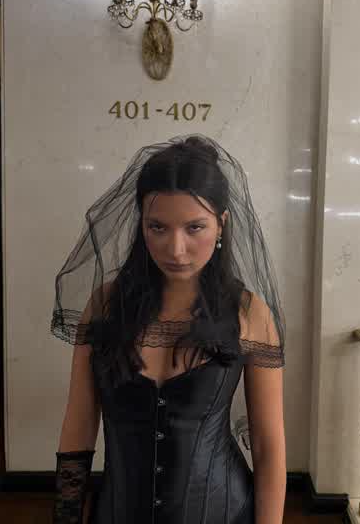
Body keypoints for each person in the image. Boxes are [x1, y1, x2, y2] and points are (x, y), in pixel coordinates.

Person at [51, 134, 286, 524]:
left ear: (221, 224)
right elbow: (79, 423)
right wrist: (66, 517)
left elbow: (268, 445)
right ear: (141, 224)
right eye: (157, 227)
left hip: (224, 513)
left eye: (195, 228)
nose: (176, 249)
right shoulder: (106, 306)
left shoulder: (249, 314)